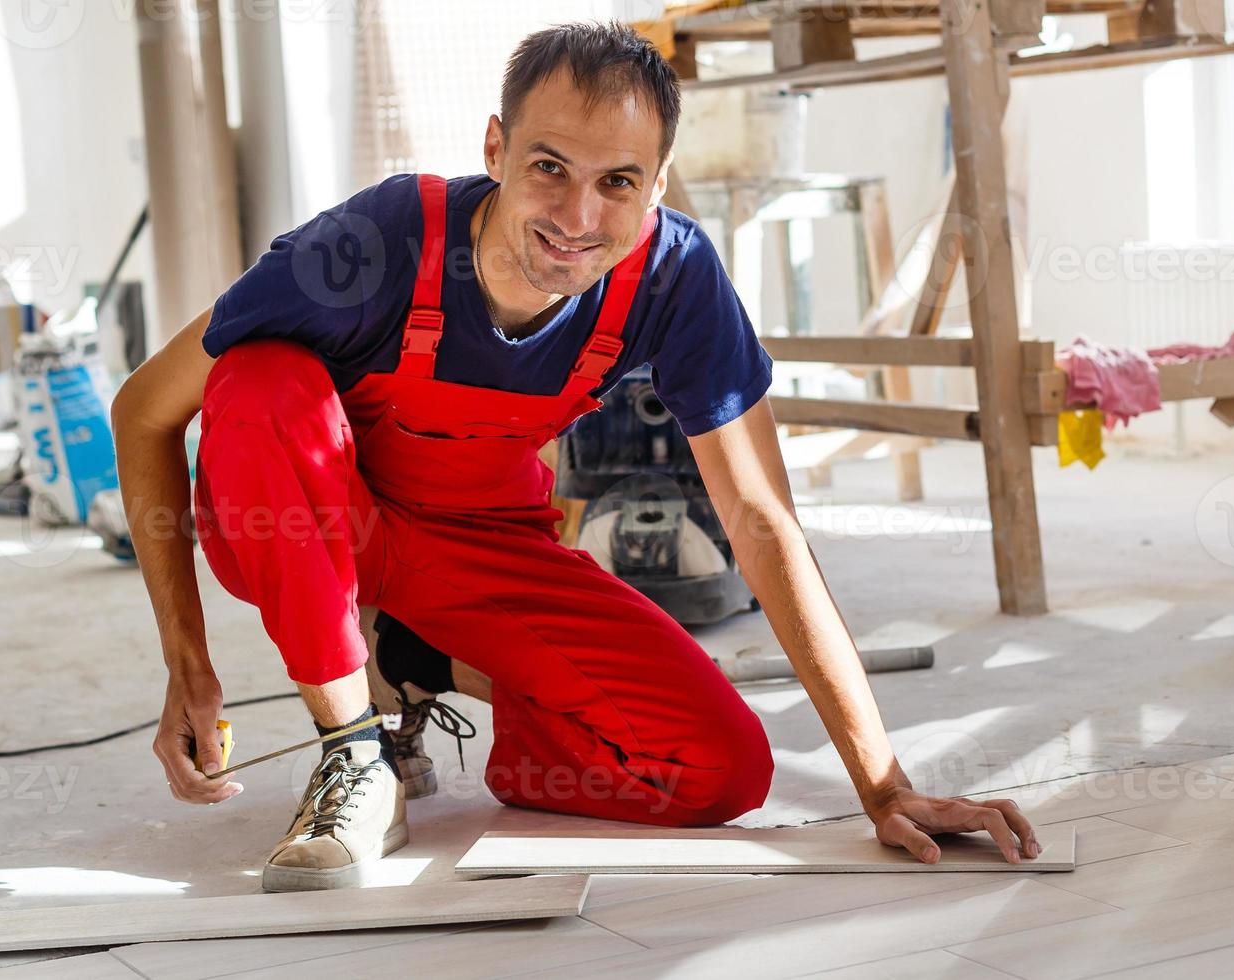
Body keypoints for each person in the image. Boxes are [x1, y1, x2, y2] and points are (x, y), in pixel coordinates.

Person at [110, 21, 1040, 891]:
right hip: (308, 525)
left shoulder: (672, 278)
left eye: (618, 182)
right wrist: (186, 665)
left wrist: (881, 784)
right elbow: (145, 409)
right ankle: (352, 750)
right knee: (262, 377)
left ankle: (413, 658)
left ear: (659, 183)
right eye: (548, 167)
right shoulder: (370, 245)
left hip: (478, 546)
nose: (577, 215)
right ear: (494, 150)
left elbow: (761, 520)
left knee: (716, 769)